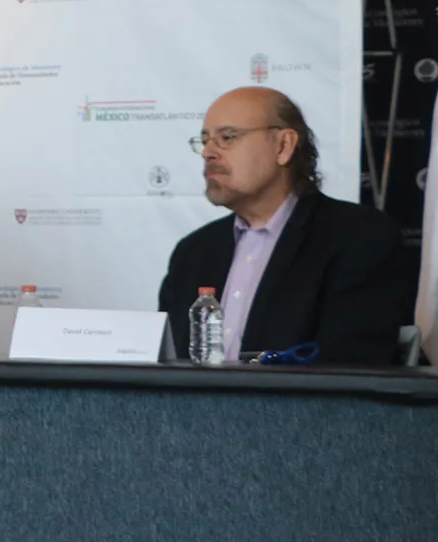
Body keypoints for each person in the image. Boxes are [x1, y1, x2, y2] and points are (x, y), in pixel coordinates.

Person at [159, 86, 413, 365]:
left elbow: (350, 369)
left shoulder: (359, 238)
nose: (208, 153)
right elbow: (167, 366)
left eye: (227, 138)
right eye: (205, 140)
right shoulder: (192, 253)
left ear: (283, 146)